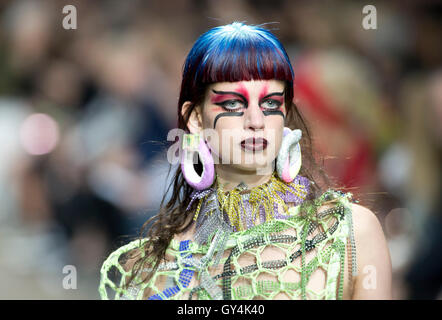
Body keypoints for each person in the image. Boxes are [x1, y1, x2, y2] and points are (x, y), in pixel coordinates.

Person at [98, 22, 392, 300]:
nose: (256, 121)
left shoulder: (350, 232)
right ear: (195, 118)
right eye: (233, 103)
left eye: (270, 103)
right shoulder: (157, 264)